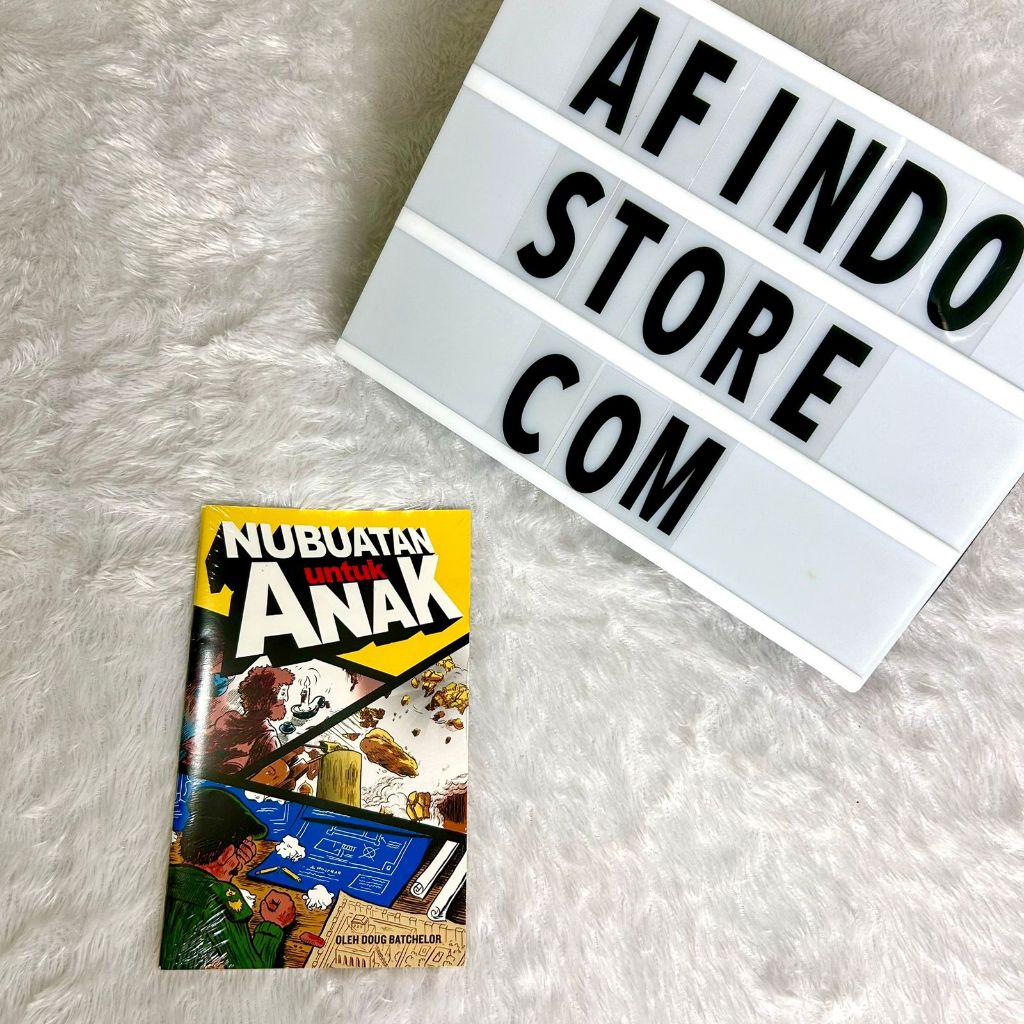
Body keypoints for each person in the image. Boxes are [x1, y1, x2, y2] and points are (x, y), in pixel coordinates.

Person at [161, 788, 297, 970]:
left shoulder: (167, 877)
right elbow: (253, 971)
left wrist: (229, 868)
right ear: (226, 854)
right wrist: (273, 924)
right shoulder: (219, 902)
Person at [200, 665, 295, 775]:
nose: (286, 698)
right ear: (267, 696)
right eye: (282, 693)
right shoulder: (267, 739)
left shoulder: (229, 718)